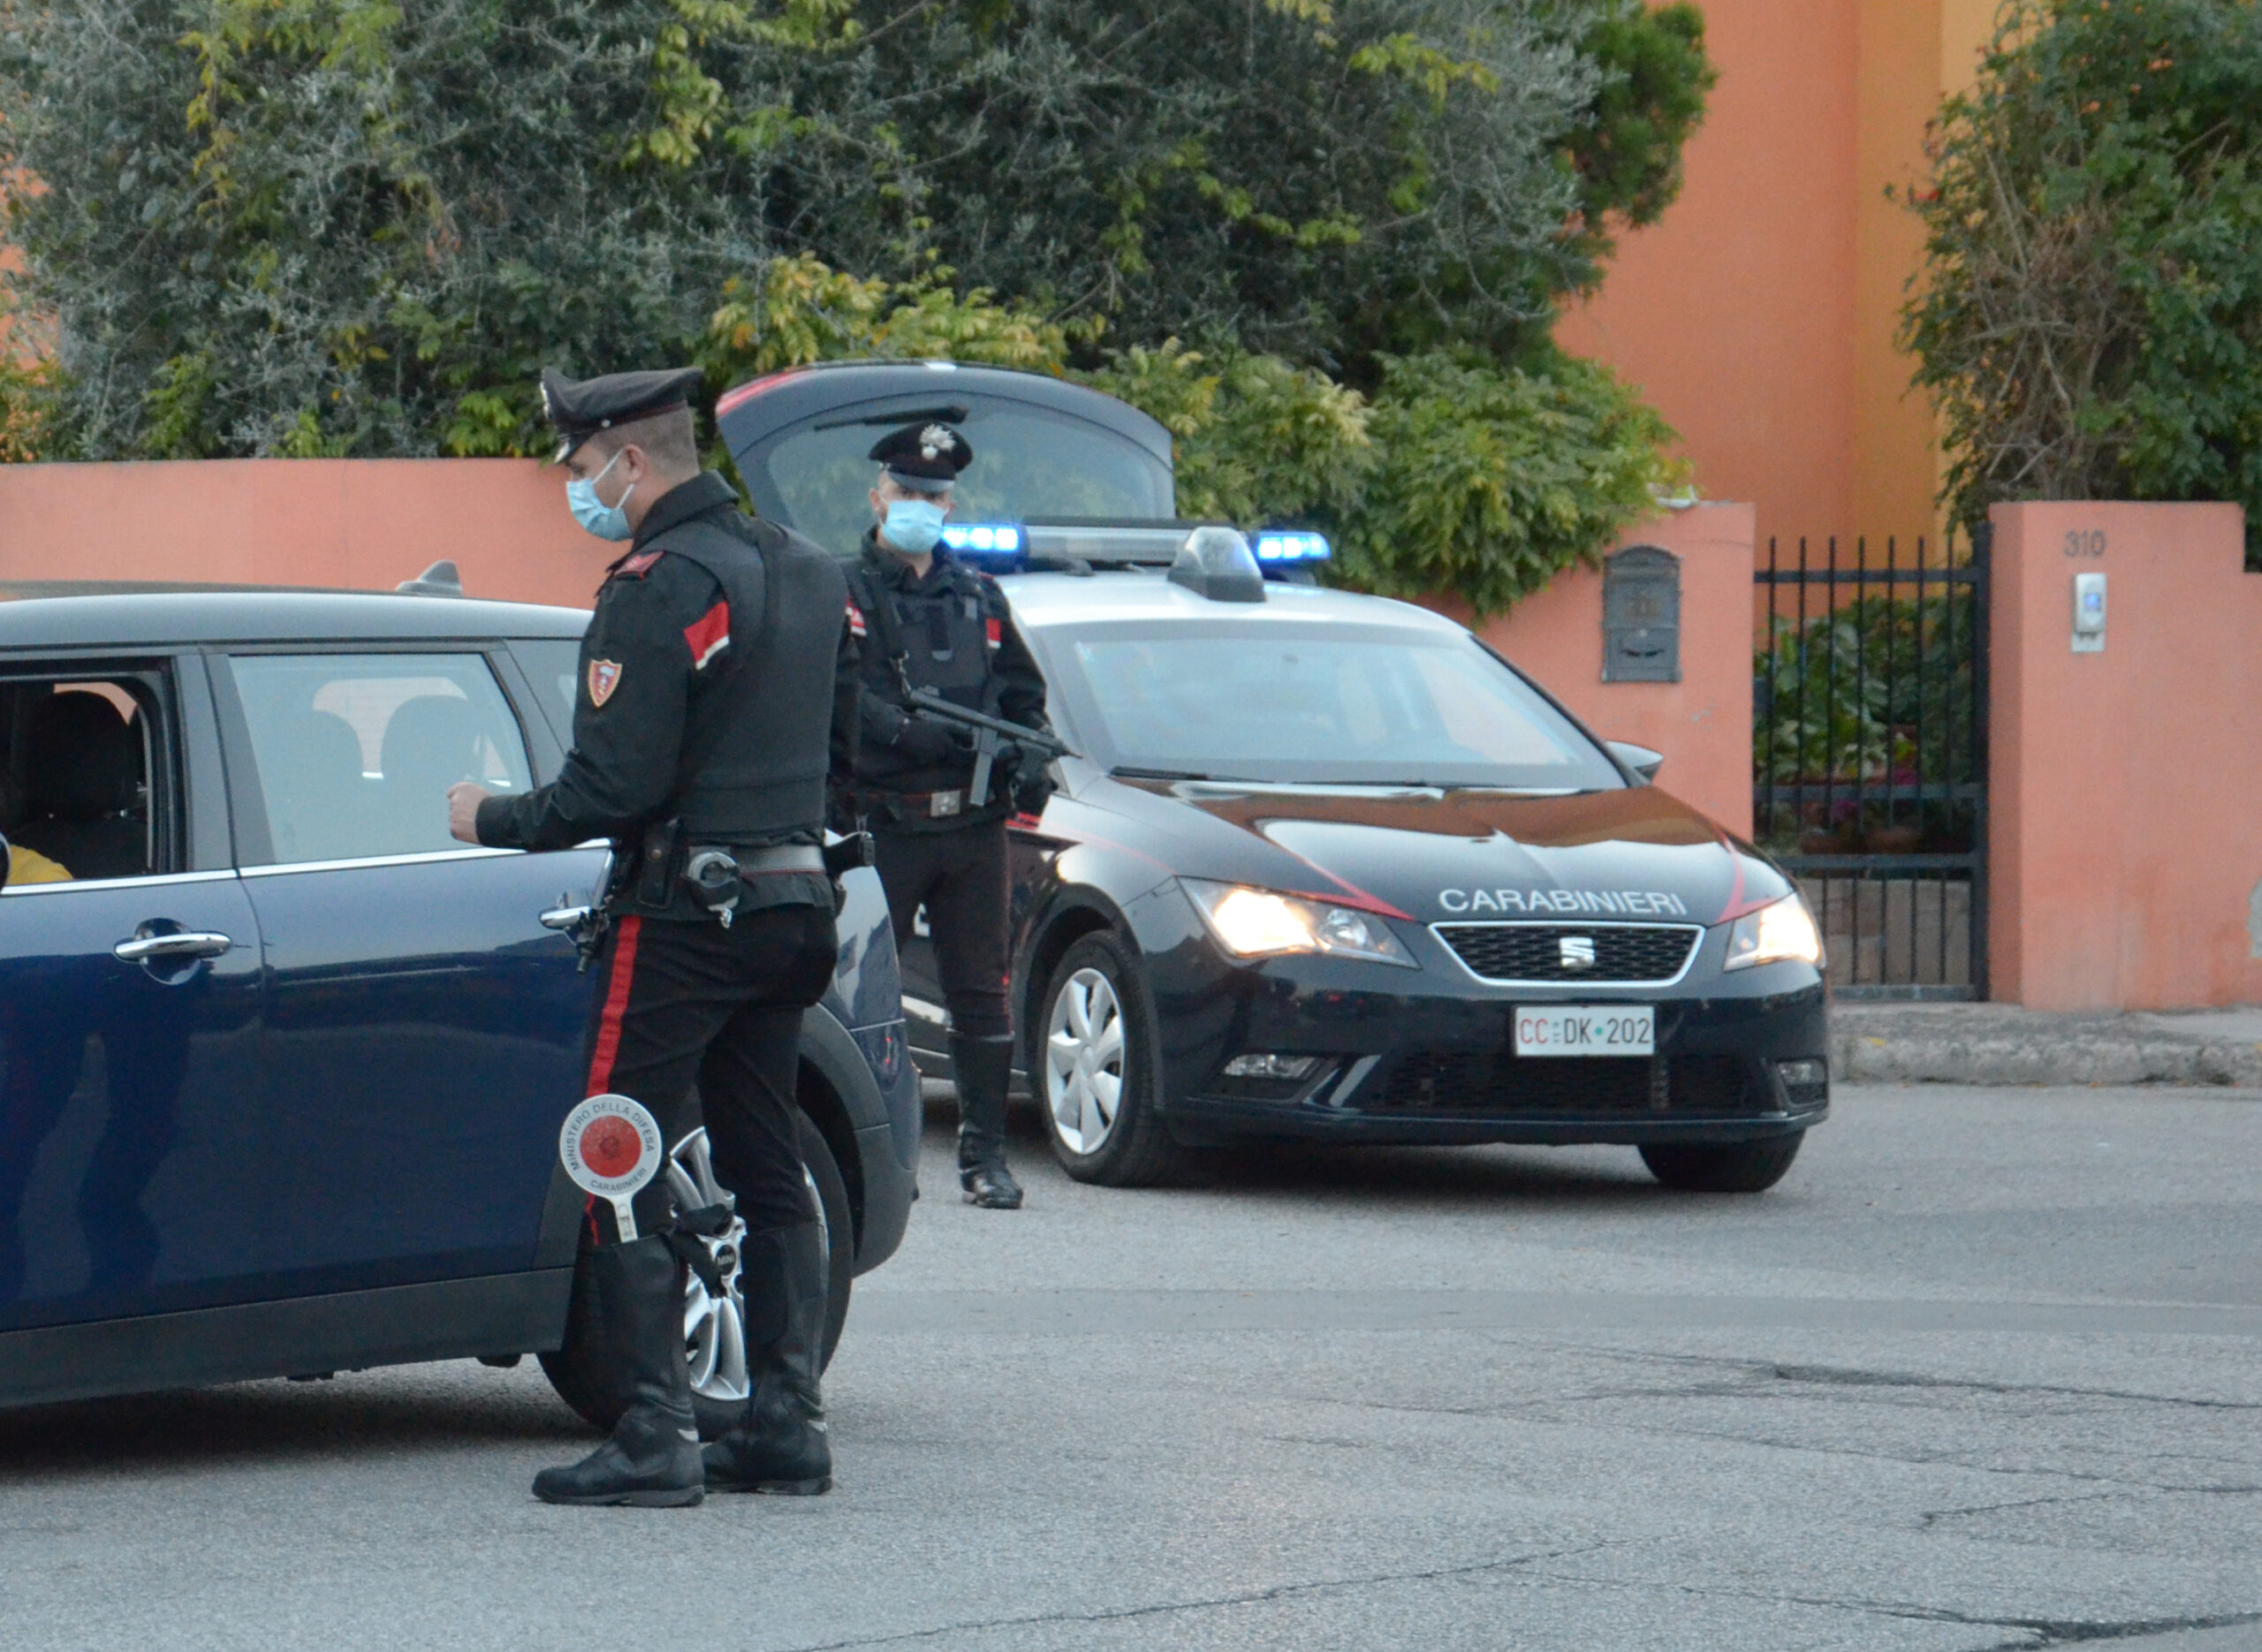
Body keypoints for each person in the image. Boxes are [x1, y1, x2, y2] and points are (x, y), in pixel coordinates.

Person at [447, 366, 857, 1508]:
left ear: (630, 459)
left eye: (581, 468)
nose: (577, 488)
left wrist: (494, 817)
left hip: (684, 915)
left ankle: (653, 1429)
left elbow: (608, 789)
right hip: (792, 905)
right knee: (765, 1161)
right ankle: (787, 1421)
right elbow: (853, 739)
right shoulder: (808, 568)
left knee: (613, 1150)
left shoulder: (655, 584)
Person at [835, 421, 1050, 1211]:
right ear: (878, 497)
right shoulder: (843, 591)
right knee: (867, 991)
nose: (918, 505)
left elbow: (1025, 697)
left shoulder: (980, 597)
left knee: (980, 992)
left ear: (950, 503)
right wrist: (902, 731)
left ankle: (985, 1158)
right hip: (883, 822)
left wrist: (1029, 755)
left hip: (970, 827)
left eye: (932, 495)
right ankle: (885, 1156)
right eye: (905, 493)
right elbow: (835, 699)